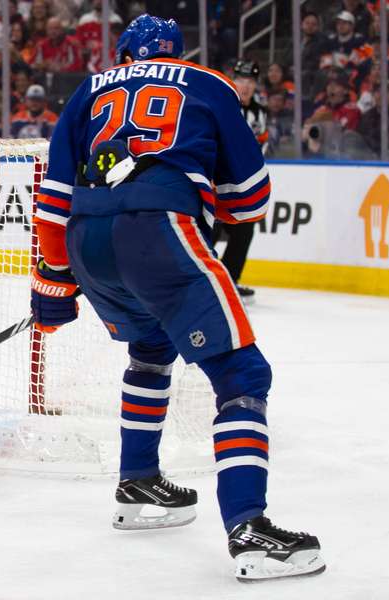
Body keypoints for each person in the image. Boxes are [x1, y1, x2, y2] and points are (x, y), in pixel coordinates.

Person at [30, 14, 324, 580]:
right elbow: (251, 199)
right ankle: (249, 526)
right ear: (179, 54)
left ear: (123, 53)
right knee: (242, 376)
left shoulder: (89, 89)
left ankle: (137, 482)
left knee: (151, 349)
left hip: (87, 238)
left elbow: (52, 200)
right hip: (159, 227)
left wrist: (54, 281)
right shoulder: (209, 84)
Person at [211, 59, 267, 304]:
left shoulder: (260, 113)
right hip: (214, 183)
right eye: (241, 80)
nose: (245, 86)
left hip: (239, 186)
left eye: (251, 82)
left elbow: (258, 149)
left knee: (245, 228)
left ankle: (230, 281)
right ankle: (199, 281)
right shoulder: (220, 104)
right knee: (207, 232)